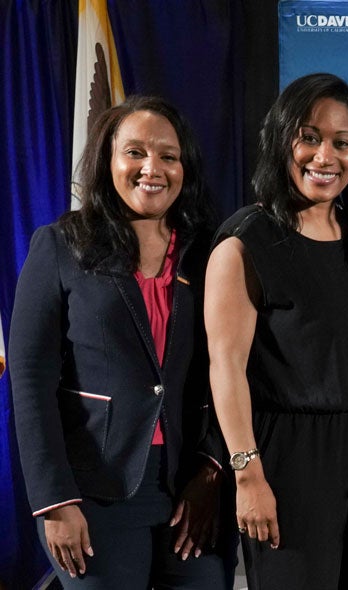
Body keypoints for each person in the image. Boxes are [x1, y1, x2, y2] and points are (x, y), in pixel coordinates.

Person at [9, 96, 233, 588]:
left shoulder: (212, 252)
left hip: (190, 490)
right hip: (91, 493)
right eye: (134, 152)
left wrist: (214, 469)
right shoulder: (61, 244)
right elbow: (29, 380)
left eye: (168, 156)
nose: (152, 168)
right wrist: (55, 501)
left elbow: (233, 367)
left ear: (185, 168)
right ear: (107, 160)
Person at [204, 72, 348, 589]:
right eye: (309, 138)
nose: (324, 157)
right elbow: (226, 369)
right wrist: (248, 473)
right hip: (283, 461)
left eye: (341, 143)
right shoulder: (245, 243)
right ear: (282, 142)